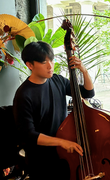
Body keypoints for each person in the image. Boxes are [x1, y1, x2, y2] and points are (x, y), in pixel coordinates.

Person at [13, 41, 95, 180]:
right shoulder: (23, 95)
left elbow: (88, 93)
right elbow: (29, 135)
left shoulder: (58, 81)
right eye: (44, 62)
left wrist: (84, 70)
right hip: (42, 161)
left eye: (51, 60)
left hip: (64, 154)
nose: (50, 66)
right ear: (30, 65)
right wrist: (61, 142)